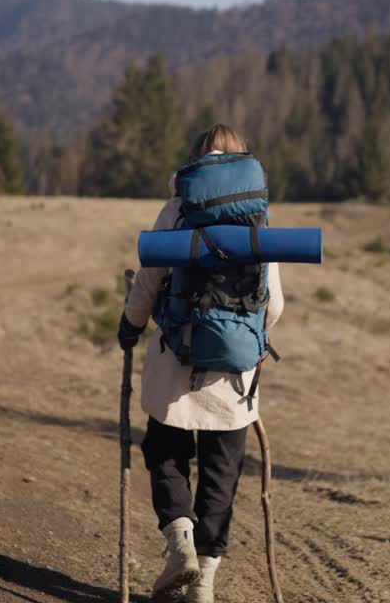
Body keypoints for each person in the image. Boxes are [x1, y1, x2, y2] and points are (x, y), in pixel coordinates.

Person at [118, 124, 285, 603]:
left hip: (177, 362)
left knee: (164, 452)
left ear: (194, 161)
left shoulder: (177, 207)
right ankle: (205, 582)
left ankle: (180, 546)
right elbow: (273, 304)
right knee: (221, 474)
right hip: (235, 375)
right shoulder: (258, 214)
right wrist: (249, 337)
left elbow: (149, 281)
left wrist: (130, 325)